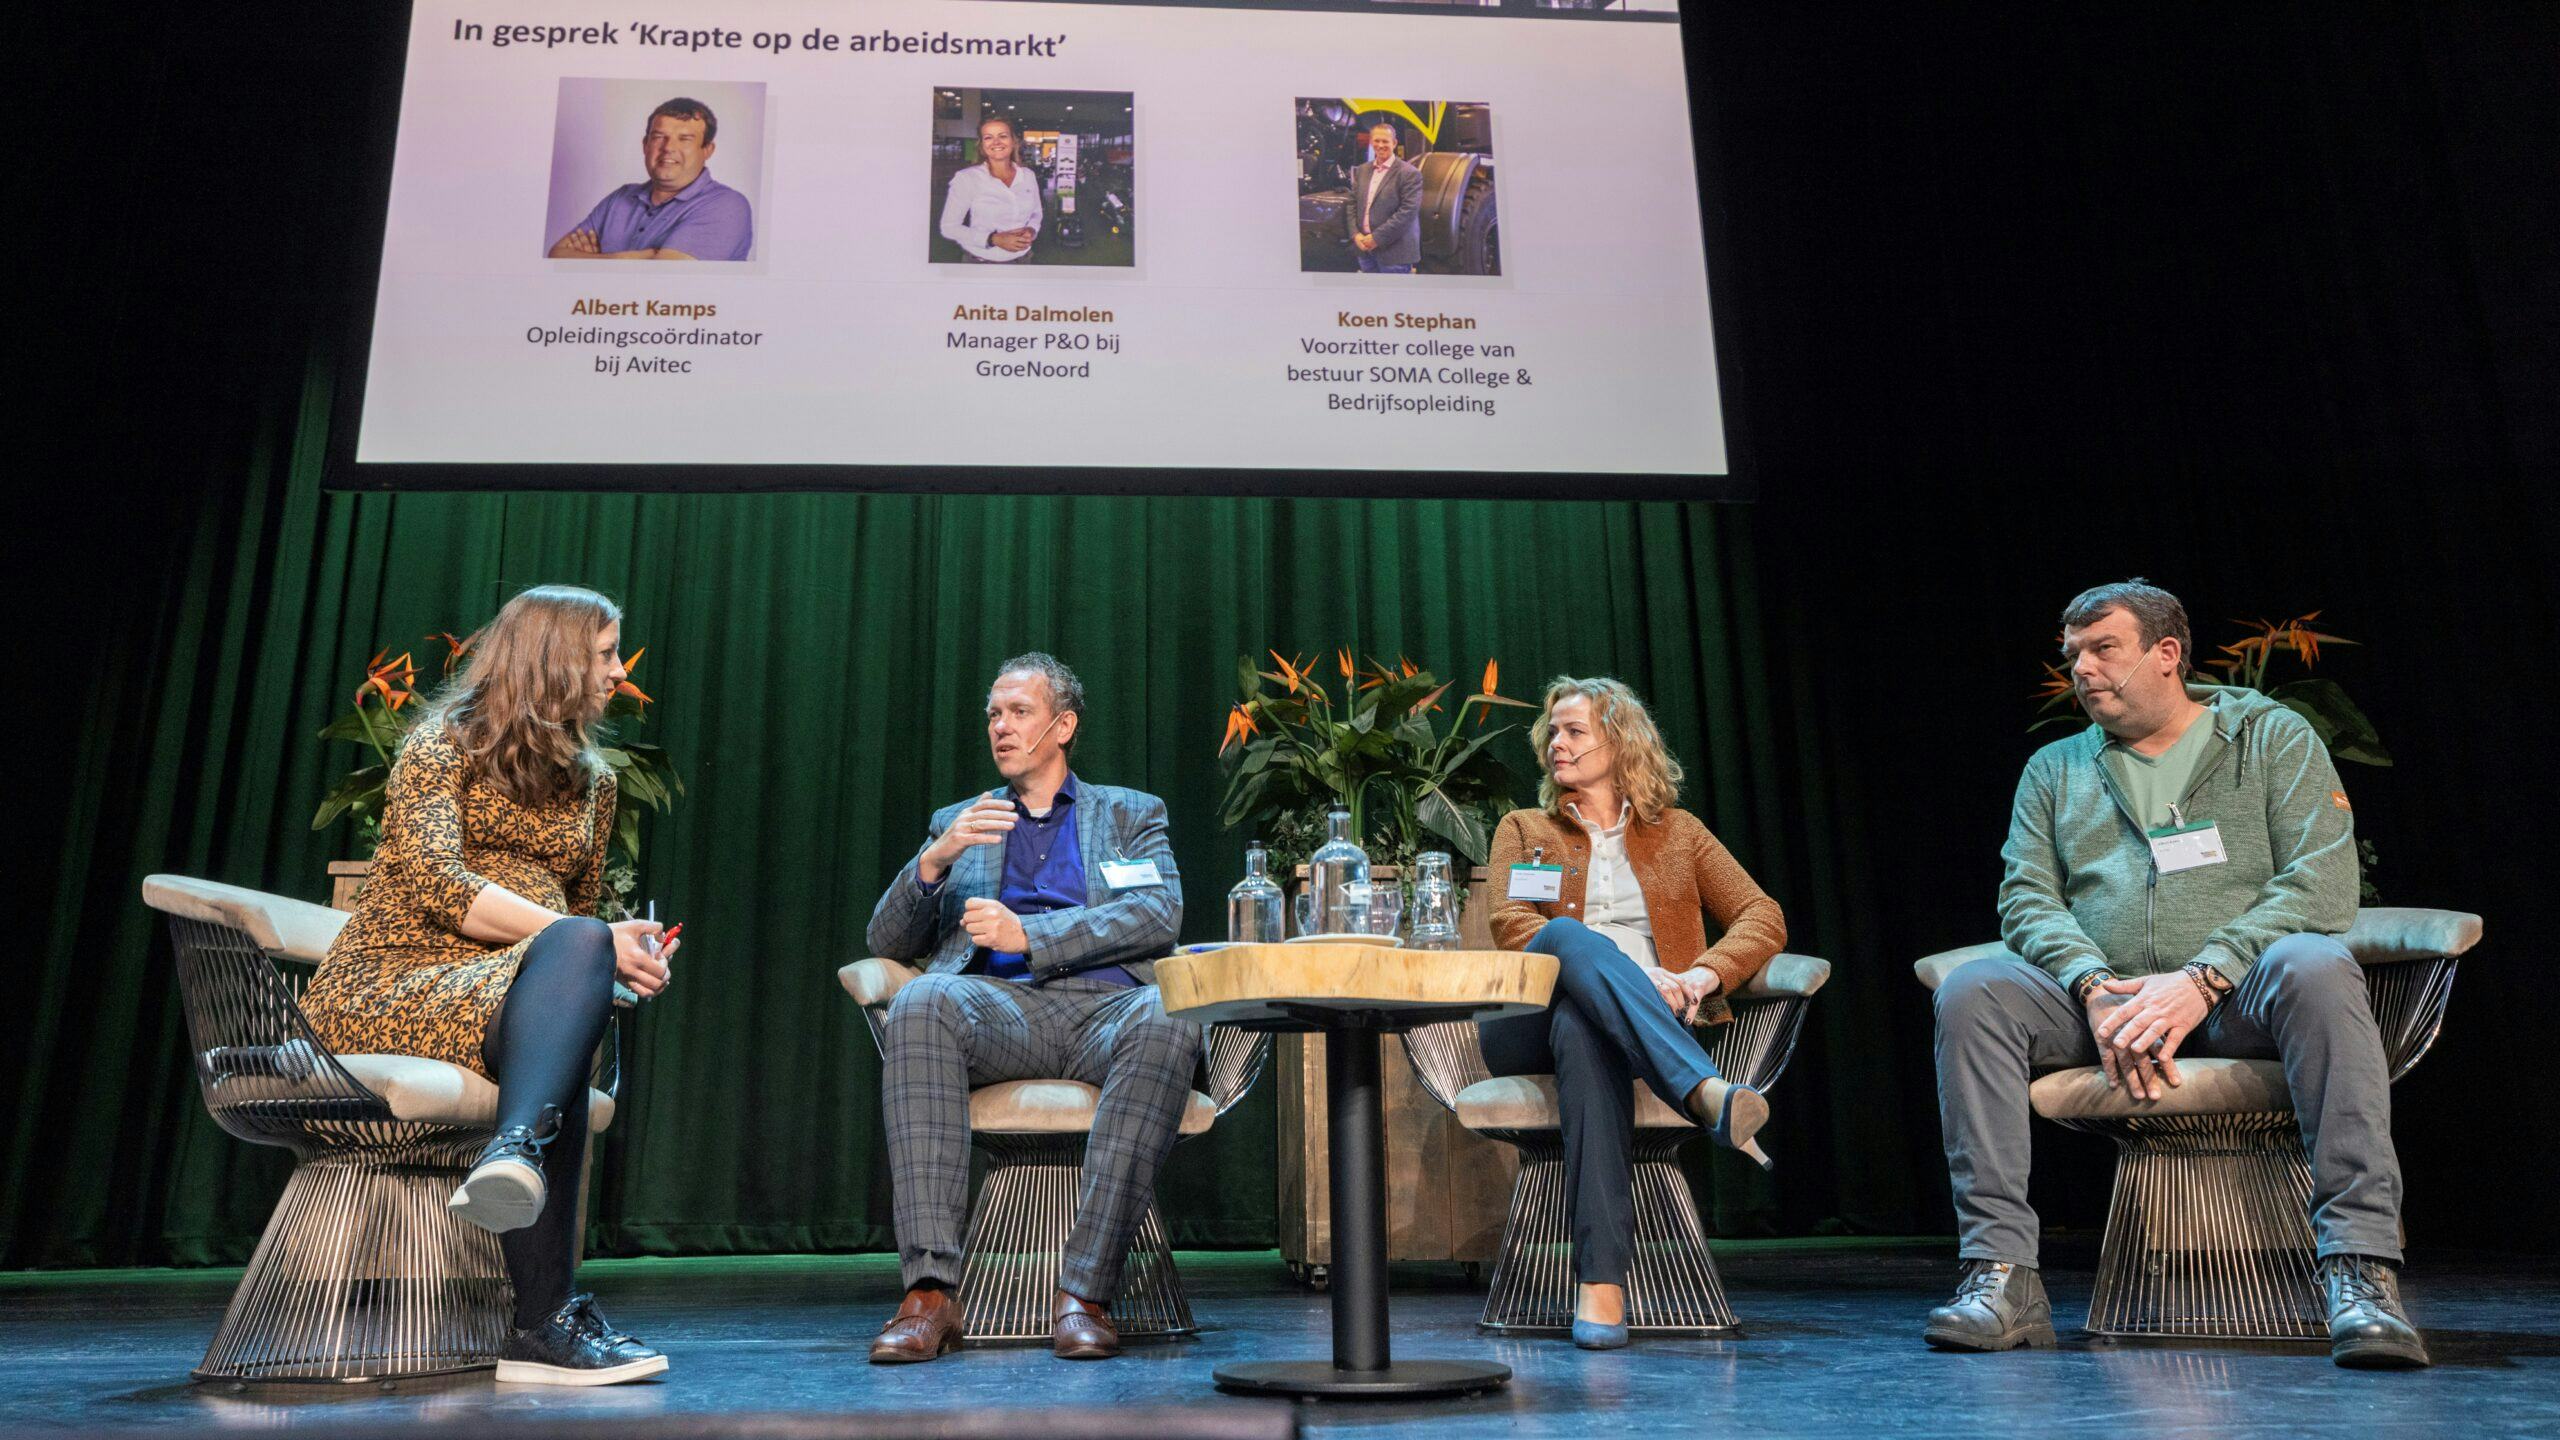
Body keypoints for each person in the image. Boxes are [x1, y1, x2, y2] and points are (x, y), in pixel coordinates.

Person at [1929, 579, 2423, 1368]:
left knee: (2318, 962)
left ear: (2167, 654)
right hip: (2106, 1000)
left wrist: (2201, 979)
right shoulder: (2055, 769)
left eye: (2103, 650)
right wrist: (2092, 986)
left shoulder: (2271, 737)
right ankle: (1999, 1274)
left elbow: (2322, 883)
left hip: (2240, 994)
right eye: (2073, 656)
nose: (2082, 670)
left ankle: (2360, 1271)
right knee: (1973, 991)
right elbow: (2025, 900)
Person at [304, 585, 676, 1385]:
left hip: (504, 989)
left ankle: (525, 1224)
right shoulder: (440, 747)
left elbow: (578, 921)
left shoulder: (595, 783)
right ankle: (545, 1316)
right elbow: (439, 885)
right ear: (555, 659)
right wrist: (588, 943)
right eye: (606, 653)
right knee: (575, 957)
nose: (618, 672)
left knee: (570, 997)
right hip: (397, 983)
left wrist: (621, 958)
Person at [864, 653, 1198, 1363]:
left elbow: (1159, 913)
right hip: (1000, 1010)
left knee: (1169, 1015)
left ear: (1063, 725)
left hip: (1107, 1012)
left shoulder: (1130, 813)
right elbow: (888, 941)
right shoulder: (960, 820)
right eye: (993, 714)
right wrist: (933, 862)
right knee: (922, 997)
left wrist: (1033, 934)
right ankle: (929, 1294)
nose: (1001, 727)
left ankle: (1086, 1292)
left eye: (1019, 712)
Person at [1482, 677, 1789, 1350]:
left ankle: (1600, 1283)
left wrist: (1703, 973)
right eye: (1553, 733)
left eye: (1573, 732)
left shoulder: (1679, 834)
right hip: (1526, 1018)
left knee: (1584, 1030)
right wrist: (1630, 972)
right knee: (1566, 938)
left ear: (1620, 743)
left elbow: (1763, 915)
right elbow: (1510, 923)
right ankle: (1705, 1092)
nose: (1556, 745)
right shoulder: (1525, 829)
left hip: (1628, 1025)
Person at [549, 97, 754, 261]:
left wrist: (590, 260)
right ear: (645, 145)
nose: (668, 148)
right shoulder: (620, 198)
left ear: (707, 150)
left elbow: (666, 280)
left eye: (684, 139)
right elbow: (557, 255)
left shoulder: (727, 205)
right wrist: (628, 259)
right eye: (658, 137)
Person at [939, 115, 1044, 263]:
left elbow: (1036, 213)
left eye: (1003, 136)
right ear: (982, 145)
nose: (996, 142)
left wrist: (1032, 230)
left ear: (1014, 141)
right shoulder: (967, 178)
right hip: (981, 262)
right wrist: (992, 239)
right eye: (988, 137)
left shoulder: (1028, 176)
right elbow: (949, 227)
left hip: (1023, 260)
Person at [1345, 121, 1423, 274]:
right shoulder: (1362, 170)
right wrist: (1355, 235)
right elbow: (1352, 204)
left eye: (1385, 141)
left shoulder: (1409, 173)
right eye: (1376, 141)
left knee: (1393, 297)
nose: (1380, 145)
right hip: (1365, 251)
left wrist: (1377, 238)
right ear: (1371, 142)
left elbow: (1407, 212)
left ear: (1394, 143)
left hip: (1394, 254)